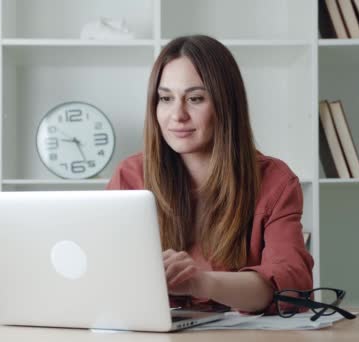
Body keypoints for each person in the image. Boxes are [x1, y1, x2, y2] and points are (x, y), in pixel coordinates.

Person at [106, 35, 313, 314]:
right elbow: (104, 274)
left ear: (226, 105)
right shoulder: (130, 176)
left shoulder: (275, 180)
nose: (177, 115)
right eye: (165, 98)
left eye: (195, 98)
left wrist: (200, 283)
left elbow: (291, 285)